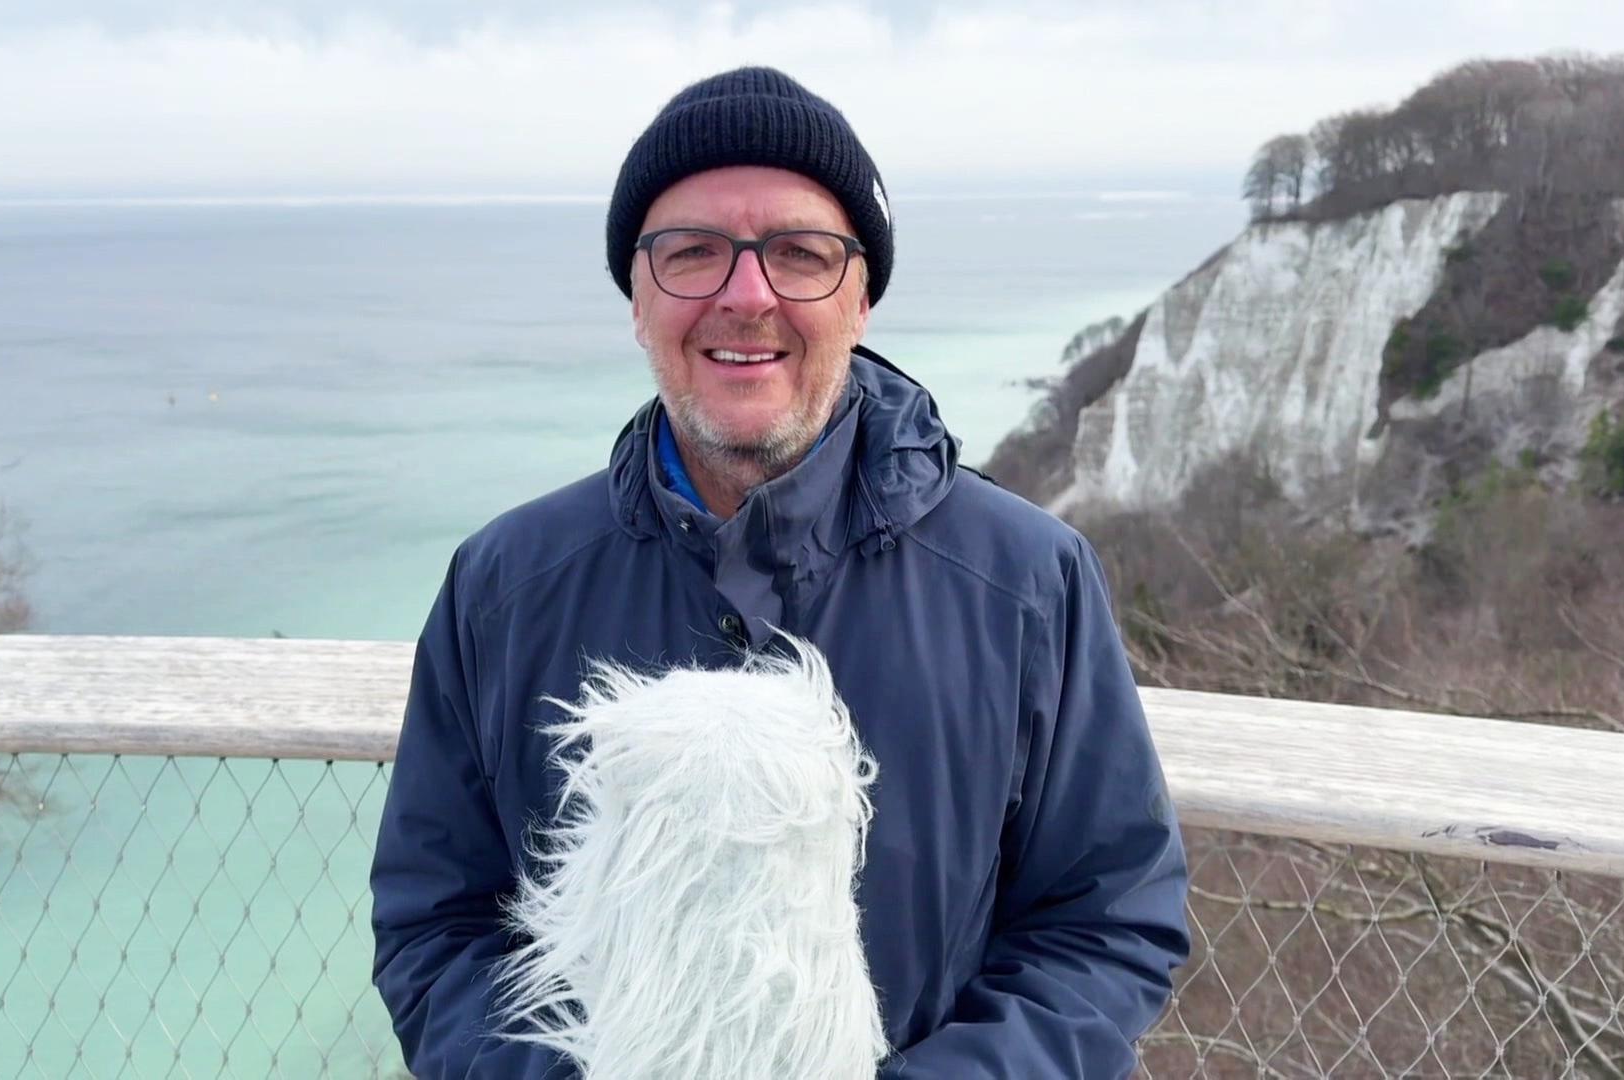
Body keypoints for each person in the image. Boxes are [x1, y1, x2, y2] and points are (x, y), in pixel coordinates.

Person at [370, 65, 1191, 1078]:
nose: (745, 295)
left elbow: (1107, 921)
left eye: (800, 254)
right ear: (637, 296)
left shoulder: (1026, 582)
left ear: (862, 296)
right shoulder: (504, 586)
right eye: (691, 253)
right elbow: (436, 921)